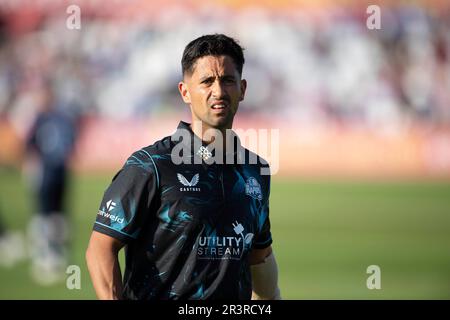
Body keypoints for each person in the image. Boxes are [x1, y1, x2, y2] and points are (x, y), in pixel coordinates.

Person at [86, 34, 281, 300]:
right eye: (207, 82)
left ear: (243, 88)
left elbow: (260, 256)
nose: (219, 91)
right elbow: (100, 247)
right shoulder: (151, 166)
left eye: (227, 80)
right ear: (185, 92)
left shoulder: (255, 171)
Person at [25, 85, 77, 285]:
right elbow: (30, 146)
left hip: (60, 172)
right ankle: (43, 254)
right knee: (44, 215)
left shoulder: (61, 118)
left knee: (58, 214)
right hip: (45, 173)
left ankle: (56, 251)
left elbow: (70, 141)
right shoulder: (39, 119)